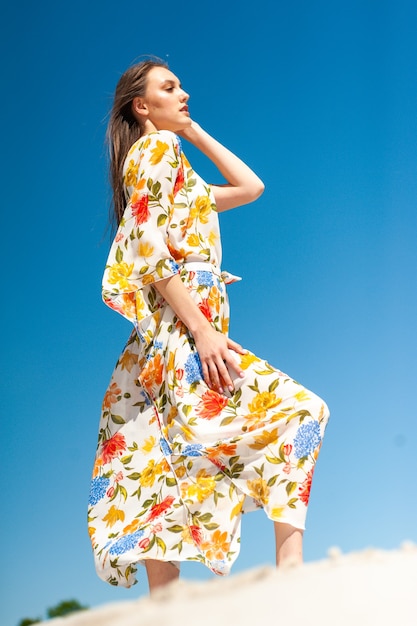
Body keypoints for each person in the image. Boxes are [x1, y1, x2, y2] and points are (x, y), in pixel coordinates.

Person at [88, 59, 330, 592]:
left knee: (161, 465)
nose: (185, 92)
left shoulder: (177, 167)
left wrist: (191, 128)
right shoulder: (153, 152)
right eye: (170, 88)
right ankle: (292, 578)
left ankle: (170, 606)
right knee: (301, 412)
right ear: (141, 105)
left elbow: (251, 186)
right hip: (185, 331)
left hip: (175, 334)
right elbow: (149, 256)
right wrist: (202, 330)